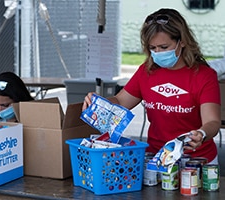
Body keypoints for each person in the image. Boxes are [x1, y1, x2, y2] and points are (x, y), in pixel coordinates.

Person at [82, 8, 221, 164]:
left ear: (182, 41)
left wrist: (201, 134)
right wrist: (100, 103)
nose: (158, 53)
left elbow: (213, 122)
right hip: (156, 158)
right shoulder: (147, 70)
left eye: (164, 47)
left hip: (196, 161)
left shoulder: (204, 75)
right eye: (152, 48)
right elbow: (120, 102)